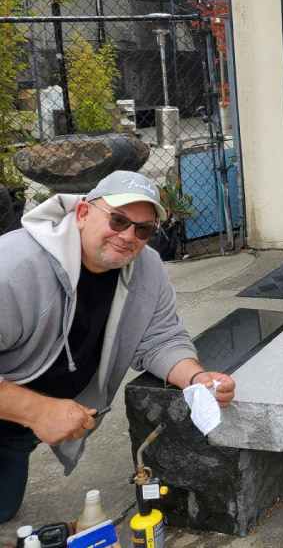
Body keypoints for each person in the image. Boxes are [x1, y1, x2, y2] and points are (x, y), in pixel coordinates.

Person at [0, 171, 236, 523]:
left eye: (143, 229)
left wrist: (196, 378)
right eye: (118, 220)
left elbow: (161, 337)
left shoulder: (146, 267)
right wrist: (37, 411)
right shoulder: (13, 268)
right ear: (82, 214)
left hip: (15, 431)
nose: (128, 237)